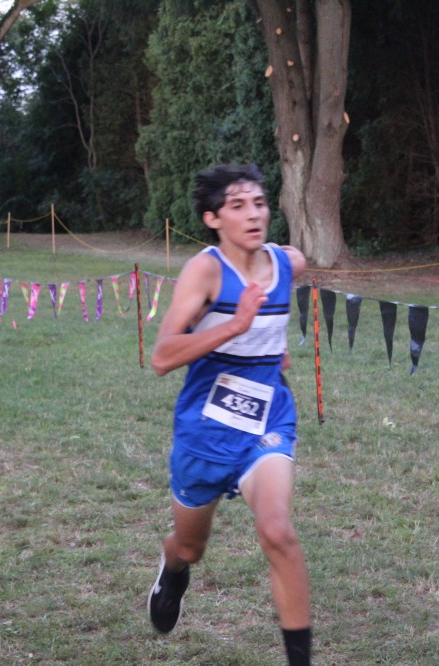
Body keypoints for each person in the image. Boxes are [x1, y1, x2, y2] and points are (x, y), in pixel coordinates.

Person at [148, 164, 311, 665]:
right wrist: (234, 326)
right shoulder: (206, 272)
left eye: (259, 203)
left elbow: (282, 295)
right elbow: (162, 357)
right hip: (204, 431)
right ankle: (173, 570)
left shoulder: (288, 263)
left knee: (278, 531)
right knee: (190, 547)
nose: (253, 214)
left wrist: (272, 347)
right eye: (238, 206)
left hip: (266, 420)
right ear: (213, 218)